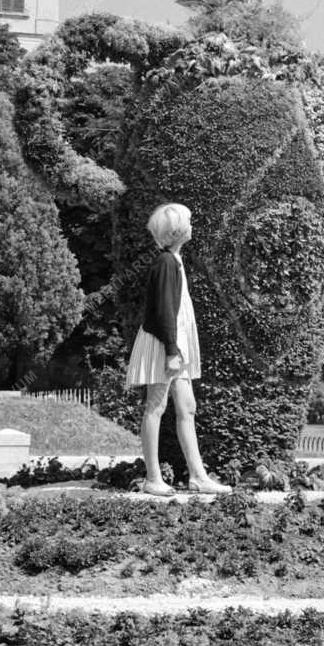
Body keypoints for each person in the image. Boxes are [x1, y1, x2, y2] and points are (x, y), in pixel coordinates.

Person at [125, 202, 230, 497]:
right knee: (155, 407)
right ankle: (152, 478)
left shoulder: (175, 261)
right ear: (176, 230)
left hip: (174, 345)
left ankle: (198, 476)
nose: (192, 224)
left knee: (187, 408)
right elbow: (163, 311)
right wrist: (172, 350)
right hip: (165, 344)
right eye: (189, 220)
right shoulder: (166, 263)